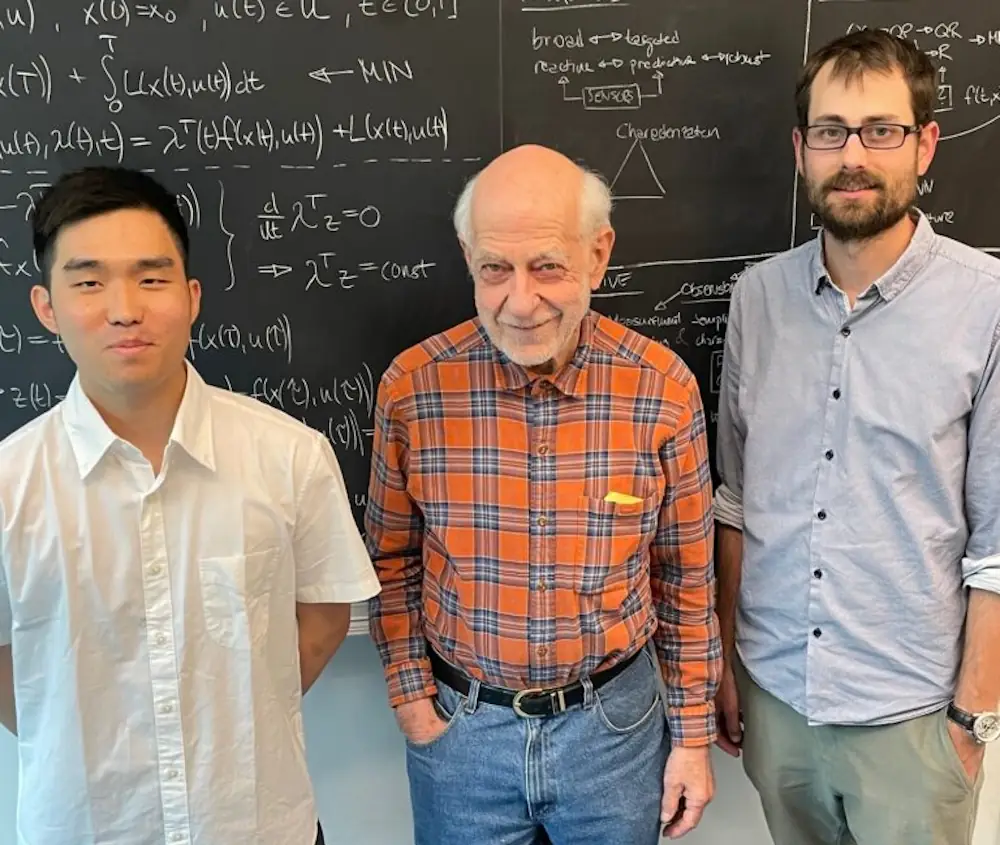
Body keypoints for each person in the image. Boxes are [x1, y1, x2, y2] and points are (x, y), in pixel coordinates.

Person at [0, 166, 381, 845]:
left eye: (151, 278)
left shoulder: (289, 455)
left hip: (256, 823)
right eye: (88, 281)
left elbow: (322, 620)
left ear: (192, 294)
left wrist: (238, 725)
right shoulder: (9, 484)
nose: (124, 308)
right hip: (85, 827)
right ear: (46, 306)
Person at [364, 143, 722, 844]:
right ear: (469, 256)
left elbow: (686, 577)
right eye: (495, 269)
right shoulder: (413, 390)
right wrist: (410, 695)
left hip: (613, 734)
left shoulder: (662, 390)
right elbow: (390, 559)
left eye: (547, 267)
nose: (520, 302)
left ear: (598, 253)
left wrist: (693, 738)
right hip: (461, 736)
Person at [714, 29, 1000, 845]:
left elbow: (999, 544)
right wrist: (733, 667)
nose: (855, 156)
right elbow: (735, 503)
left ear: (925, 144)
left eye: (882, 130)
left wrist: (970, 722)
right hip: (776, 700)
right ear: (801, 149)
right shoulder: (757, 300)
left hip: (912, 721)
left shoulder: (987, 307)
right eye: (832, 131)